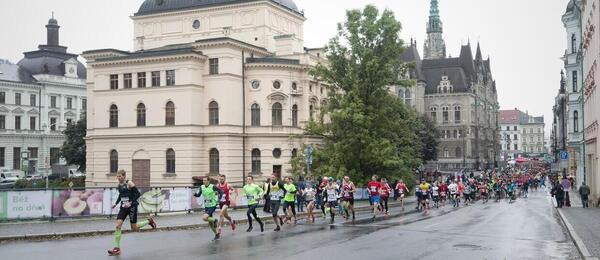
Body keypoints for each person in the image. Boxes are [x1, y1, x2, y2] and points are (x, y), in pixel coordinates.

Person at [107, 170, 156, 256]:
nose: (118, 178)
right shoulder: (119, 185)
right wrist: (115, 203)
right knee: (118, 225)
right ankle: (117, 248)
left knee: (134, 228)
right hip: (123, 207)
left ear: (124, 176)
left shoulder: (129, 183)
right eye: (117, 176)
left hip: (132, 207)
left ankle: (149, 221)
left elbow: (138, 194)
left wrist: (130, 203)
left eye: (120, 176)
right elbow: (120, 195)